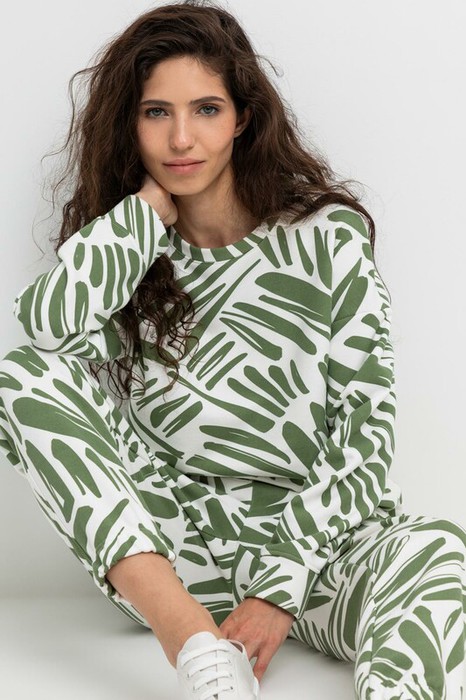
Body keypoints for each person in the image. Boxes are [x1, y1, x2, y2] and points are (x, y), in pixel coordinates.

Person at [0, 1, 464, 698]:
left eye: (206, 109)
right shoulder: (130, 252)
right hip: (183, 559)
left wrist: (278, 586)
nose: (181, 138)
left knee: (438, 549)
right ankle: (196, 651)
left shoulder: (325, 238)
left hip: (319, 555)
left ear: (243, 117)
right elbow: (45, 333)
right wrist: (140, 219)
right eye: (156, 112)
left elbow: (366, 433)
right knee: (22, 374)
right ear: (129, 124)